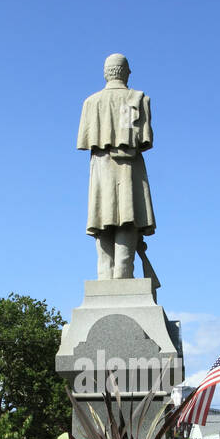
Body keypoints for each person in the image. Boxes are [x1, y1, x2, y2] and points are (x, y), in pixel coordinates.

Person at [76, 54, 155, 279]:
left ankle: (105, 271)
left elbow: (84, 138)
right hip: (129, 168)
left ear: (106, 72)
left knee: (102, 218)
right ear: (126, 71)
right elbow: (144, 138)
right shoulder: (139, 99)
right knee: (128, 217)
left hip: (101, 167)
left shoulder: (90, 102)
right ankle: (123, 271)